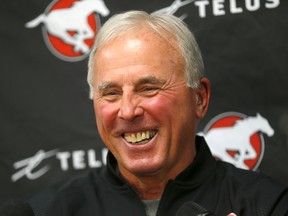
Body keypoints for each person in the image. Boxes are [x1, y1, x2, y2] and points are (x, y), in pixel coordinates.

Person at [2, 10, 288, 216]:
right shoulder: (47, 210)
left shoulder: (267, 205)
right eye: (111, 93)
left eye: (149, 88)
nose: (127, 110)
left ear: (199, 98)